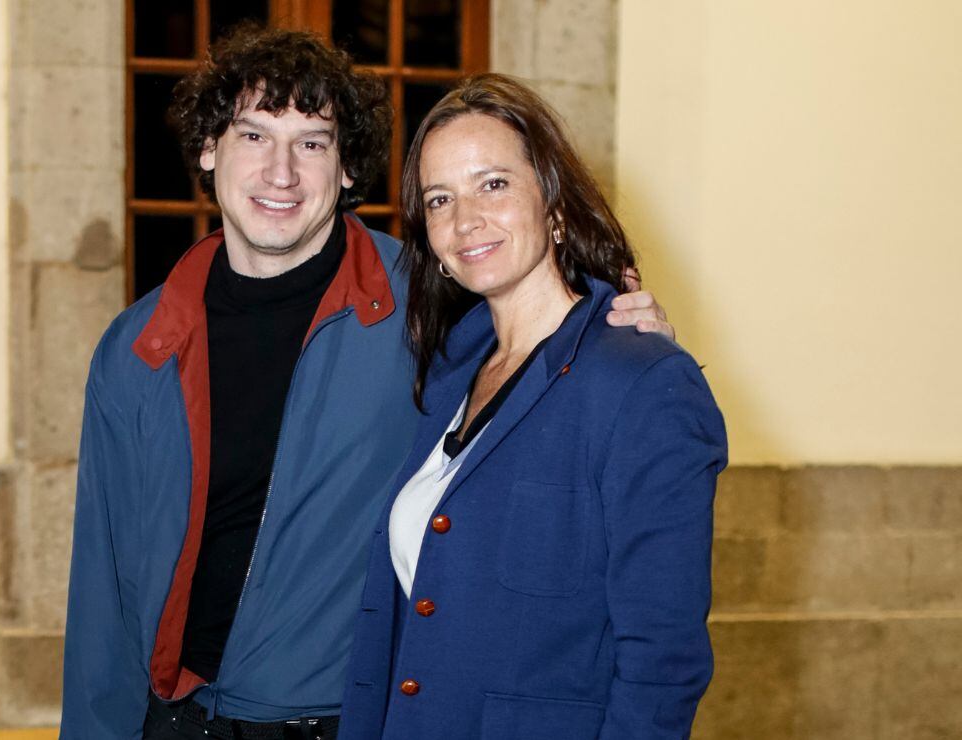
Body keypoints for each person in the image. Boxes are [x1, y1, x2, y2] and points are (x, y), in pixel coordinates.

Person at [61, 27, 673, 740]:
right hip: (170, 723)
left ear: (349, 166)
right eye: (254, 136)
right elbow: (101, 591)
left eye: (312, 143)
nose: (280, 172)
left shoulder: (432, 309)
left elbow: (552, 345)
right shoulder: (137, 346)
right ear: (208, 150)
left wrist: (626, 330)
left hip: (340, 722)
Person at [339, 74, 727, 739]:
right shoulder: (446, 379)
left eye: (493, 184)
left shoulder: (643, 381)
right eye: (440, 199)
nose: (465, 219)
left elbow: (664, 662)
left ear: (552, 200)